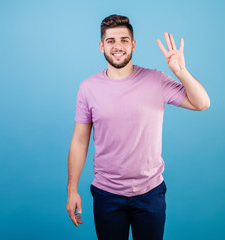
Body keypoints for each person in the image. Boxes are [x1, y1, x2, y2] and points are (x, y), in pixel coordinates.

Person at [66, 14, 210, 240]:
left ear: (133, 45)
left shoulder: (156, 80)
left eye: (124, 40)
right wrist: (72, 189)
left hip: (150, 193)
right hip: (107, 194)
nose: (117, 46)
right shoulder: (88, 88)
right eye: (111, 41)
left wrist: (181, 71)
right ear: (101, 46)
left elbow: (202, 103)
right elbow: (79, 140)